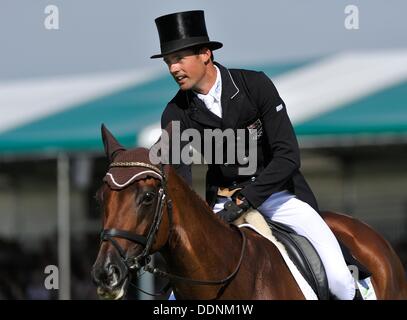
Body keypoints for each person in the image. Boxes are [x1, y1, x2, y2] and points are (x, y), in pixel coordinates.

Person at [151, 10, 356, 300]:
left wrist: (248, 198)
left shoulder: (254, 85)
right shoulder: (175, 113)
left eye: (179, 58)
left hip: (278, 196)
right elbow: (178, 181)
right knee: (174, 301)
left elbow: (287, 155)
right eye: (169, 61)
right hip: (222, 205)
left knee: (340, 282)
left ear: (205, 54)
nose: (173, 68)